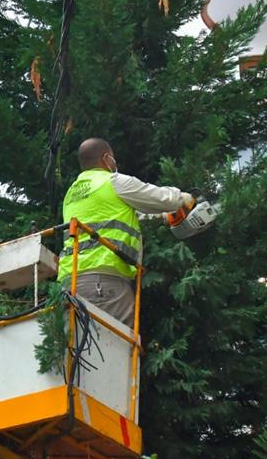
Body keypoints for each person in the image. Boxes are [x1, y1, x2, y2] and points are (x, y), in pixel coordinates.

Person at [58, 138, 193, 326]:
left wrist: (162, 217)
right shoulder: (113, 181)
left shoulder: (72, 193)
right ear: (106, 158)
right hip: (105, 280)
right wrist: (183, 198)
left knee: (79, 347)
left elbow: (117, 214)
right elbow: (158, 196)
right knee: (114, 346)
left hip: (71, 281)